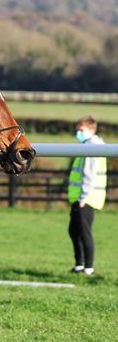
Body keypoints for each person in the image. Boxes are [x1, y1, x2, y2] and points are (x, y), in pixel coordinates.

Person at [68, 115, 107, 276]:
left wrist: (83, 197)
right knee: (74, 231)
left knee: (84, 233)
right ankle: (79, 265)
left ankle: (88, 268)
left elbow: (89, 174)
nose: (79, 133)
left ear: (91, 130)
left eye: (81, 130)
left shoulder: (91, 147)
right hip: (81, 197)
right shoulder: (88, 145)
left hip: (86, 198)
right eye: (77, 130)